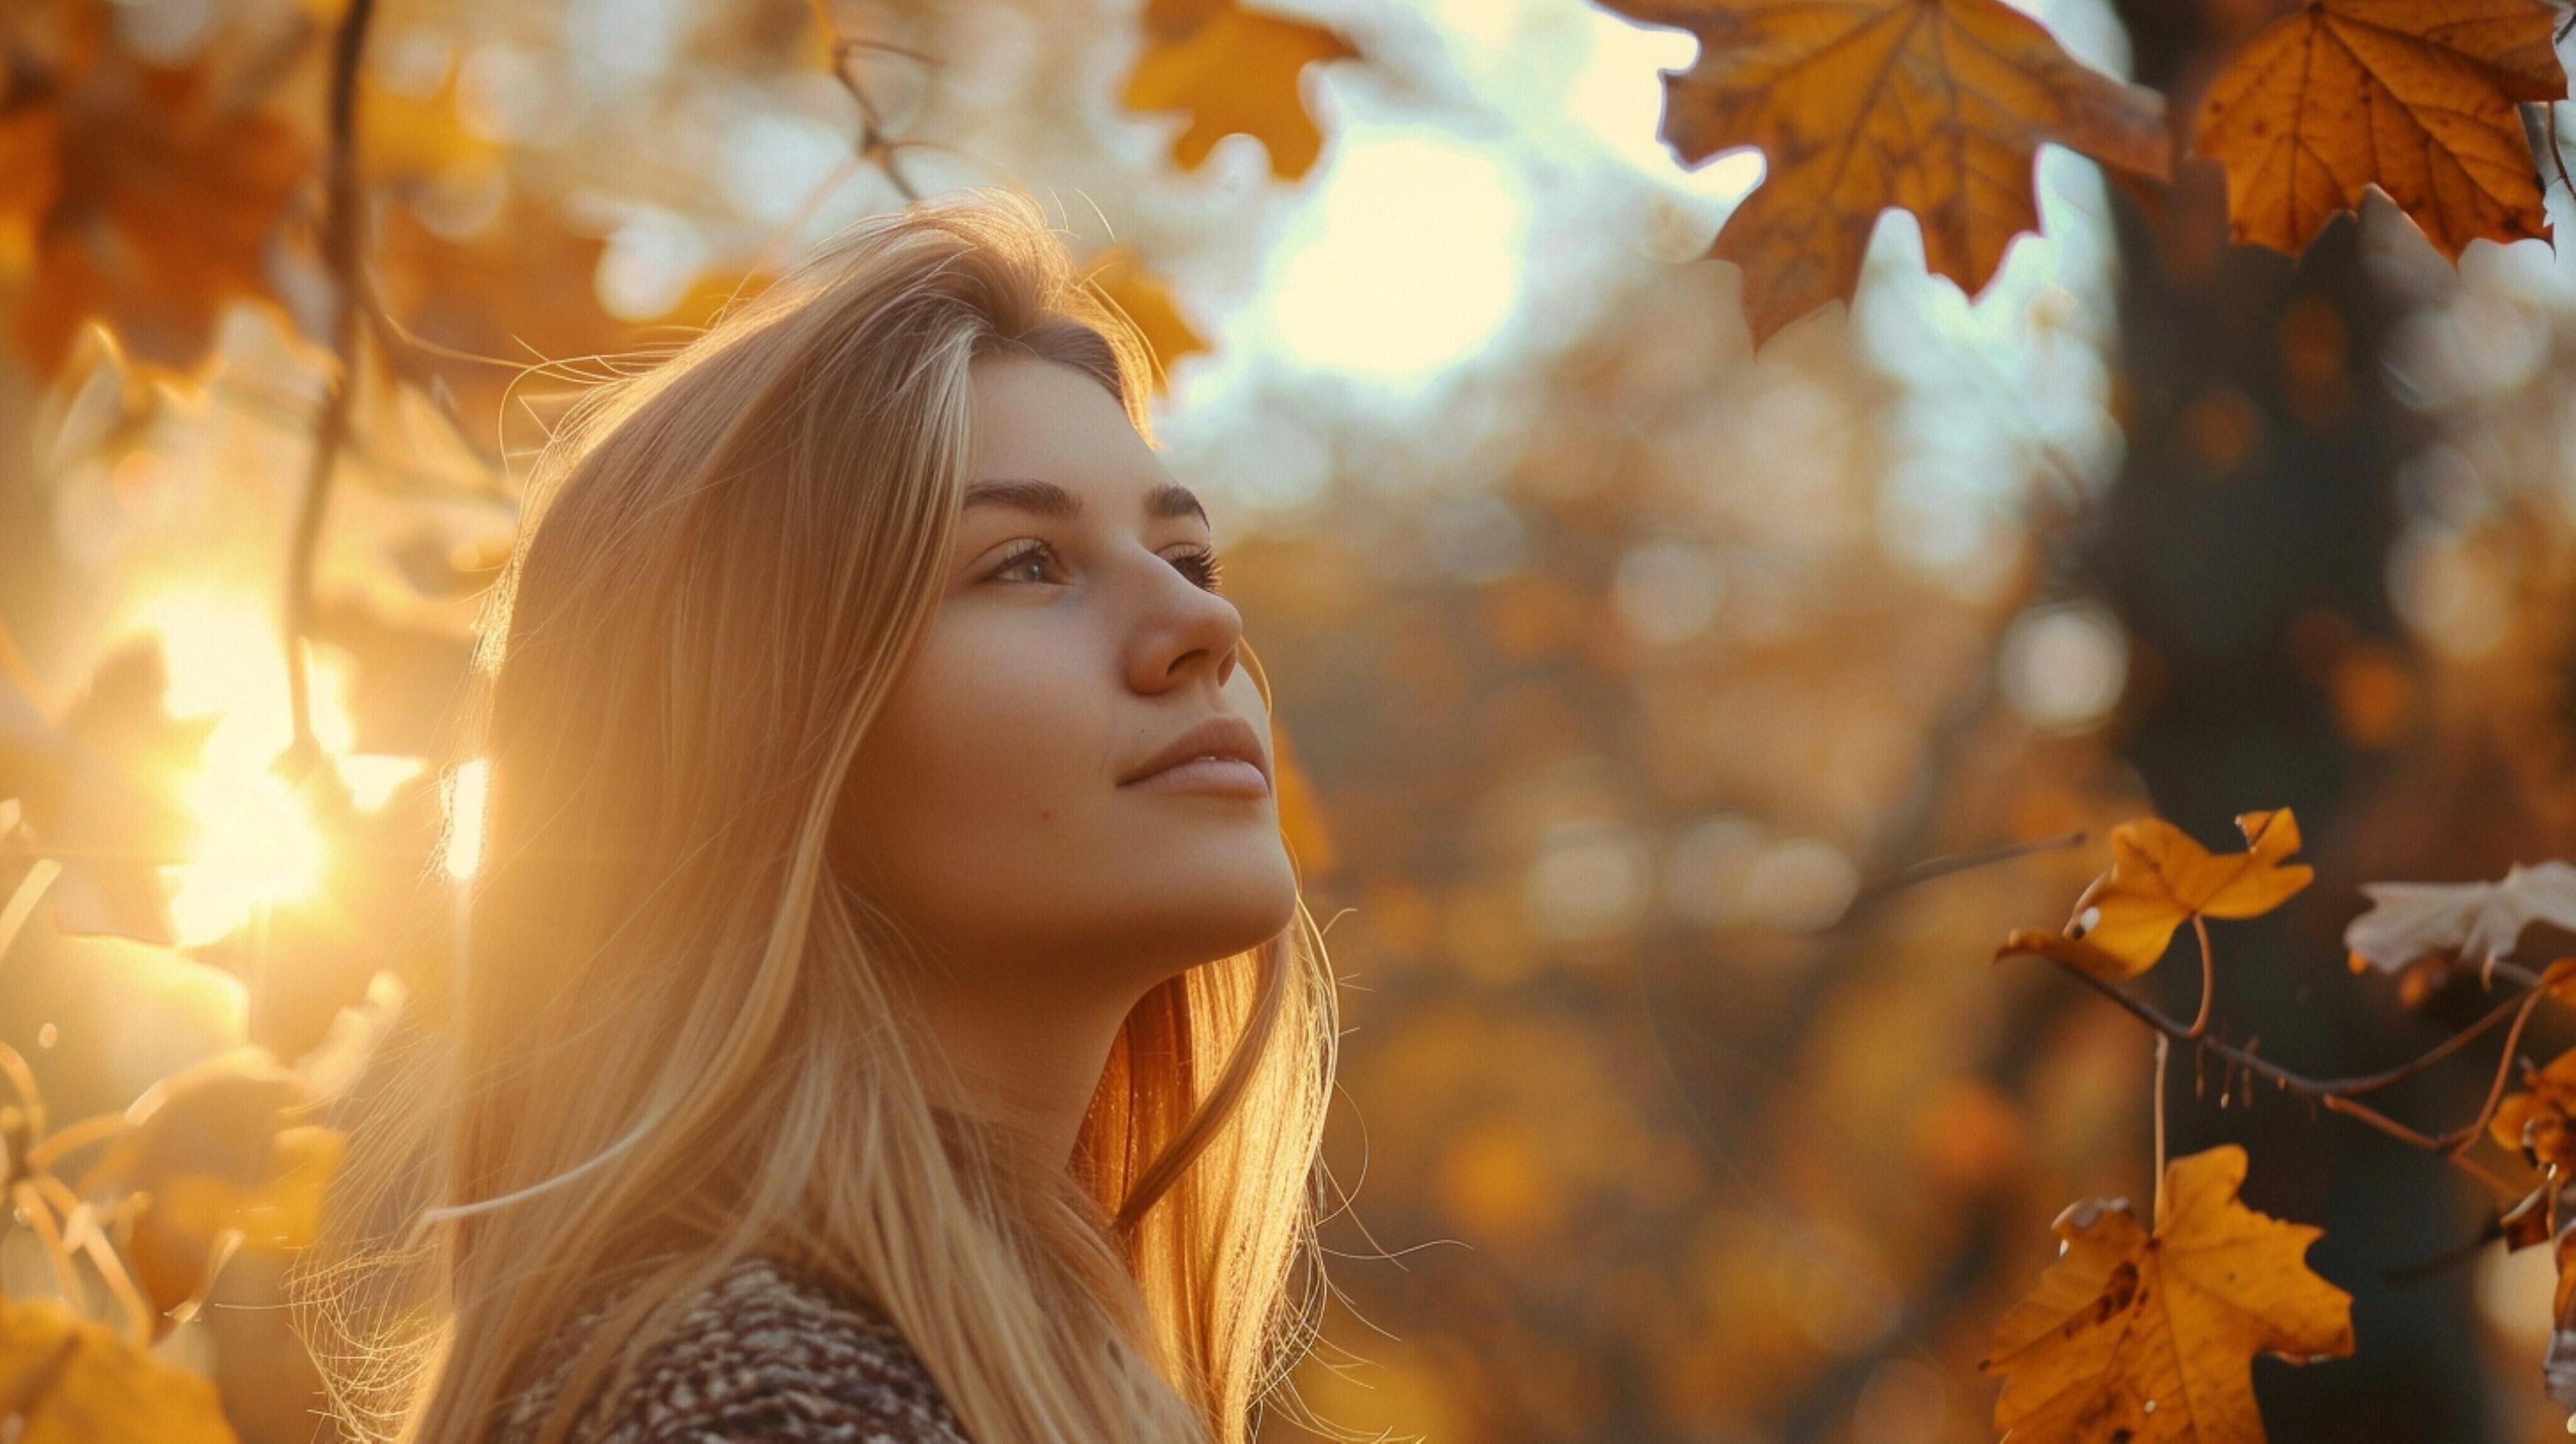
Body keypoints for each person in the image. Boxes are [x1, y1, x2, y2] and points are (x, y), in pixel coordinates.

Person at [292, 185, 1347, 1444]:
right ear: (761, 741)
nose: (1206, 626)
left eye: (1186, 560)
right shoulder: (754, 1403)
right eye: (1024, 564)